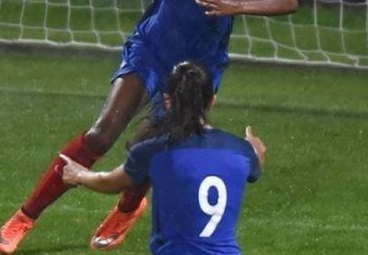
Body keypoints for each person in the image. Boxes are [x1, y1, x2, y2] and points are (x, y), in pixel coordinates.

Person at [0, 0, 297, 254]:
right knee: (101, 134)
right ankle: (25, 217)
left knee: (146, 147)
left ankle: (128, 208)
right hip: (150, 49)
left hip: (194, 70)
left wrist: (236, 5)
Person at [60, 61, 267, 254]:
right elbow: (256, 162)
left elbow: (110, 183)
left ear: (167, 101)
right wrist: (254, 147)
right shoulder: (242, 151)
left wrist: (79, 175)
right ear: (212, 101)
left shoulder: (153, 152)